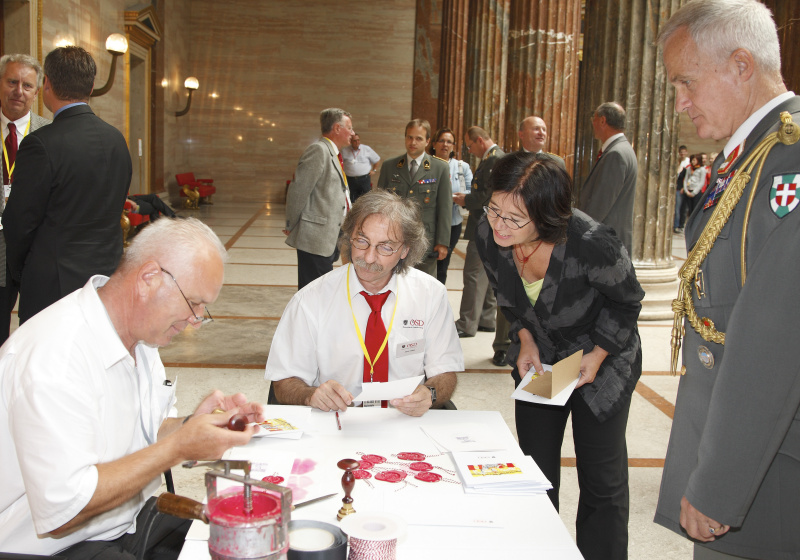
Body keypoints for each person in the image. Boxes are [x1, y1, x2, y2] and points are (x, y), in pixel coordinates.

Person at [0, 217, 264, 557]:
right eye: (194, 302)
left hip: (122, 523)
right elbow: (64, 511)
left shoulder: (141, 339)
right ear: (149, 278)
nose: (196, 320)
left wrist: (191, 428)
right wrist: (179, 448)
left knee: (241, 542)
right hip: (51, 547)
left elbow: (144, 433)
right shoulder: (56, 357)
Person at [655, 1, 800, 558]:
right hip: (740, 453)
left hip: (769, 471)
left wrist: (720, 483)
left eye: (686, 82)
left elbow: (774, 339)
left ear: (742, 65)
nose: (680, 103)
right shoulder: (751, 158)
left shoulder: (788, 164)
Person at [476, 152, 643, 560]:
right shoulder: (488, 234)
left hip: (601, 362)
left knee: (601, 480)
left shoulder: (592, 243)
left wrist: (600, 352)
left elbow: (627, 302)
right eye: (494, 209)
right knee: (535, 472)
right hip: (545, 359)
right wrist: (526, 339)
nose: (499, 225)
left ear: (547, 215)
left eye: (514, 219)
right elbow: (509, 300)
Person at [266, 190, 462, 417]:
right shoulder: (310, 300)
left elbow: (446, 371)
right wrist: (310, 395)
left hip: (403, 420)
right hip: (336, 421)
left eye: (385, 247)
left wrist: (430, 394)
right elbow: (284, 381)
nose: (368, 257)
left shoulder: (430, 295)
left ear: (405, 250)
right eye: (362, 241)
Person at [3, 46, 131, 325]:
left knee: (51, 363)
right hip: (106, 277)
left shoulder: (41, 143)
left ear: (46, 84)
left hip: (54, 283)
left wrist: (22, 272)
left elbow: (19, 222)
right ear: (92, 85)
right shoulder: (116, 140)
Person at [0, 53, 50, 343]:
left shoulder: (50, 131)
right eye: (12, 82)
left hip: (36, 249)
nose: (19, 91)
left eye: (27, 85)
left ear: (37, 92)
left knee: (36, 332)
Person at [285, 108, 354, 290]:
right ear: (337, 128)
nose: (353, 133)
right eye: (350, 127)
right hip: (314, 238)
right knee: (314, 291)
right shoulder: (318, 151)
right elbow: (298, 190)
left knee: (320, 289)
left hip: (328, 237)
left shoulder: (334, 154)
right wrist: (291, 224)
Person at [377, 119, 451, 277]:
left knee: (424, 288)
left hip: (425, 241)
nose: (413, 142)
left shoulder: (440, 168)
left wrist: (442, 242)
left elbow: (445, 208)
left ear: (428, 141)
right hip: (393, 239)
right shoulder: (390, 166)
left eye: (418, 138)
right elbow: (379, 204)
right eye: (409, 137)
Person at [453, 126, 504, 342]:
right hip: (491, 225)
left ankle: (467, 322)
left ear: (480, 140)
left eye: (470, 145)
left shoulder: (494, 159)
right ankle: (485, 319)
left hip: (484, 225)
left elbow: (488, 195)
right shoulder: (494, 157)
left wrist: (466, 200)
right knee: (488, 273)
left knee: (473, 274)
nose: (469, 149)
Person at [578, 101, 638, 256]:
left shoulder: (615, 154)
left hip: (605, 243)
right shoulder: (622, 148)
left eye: (594, 118)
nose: (593, 122)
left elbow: (600, 204)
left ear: (602, 120)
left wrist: (579, 232)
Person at [430, 126, 472, 284]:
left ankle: (438, 298)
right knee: (425, 262)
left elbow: (470, 192)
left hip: (452, 223)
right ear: (434, 143)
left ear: (453, 146)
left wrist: (460, 197)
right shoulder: (426, 164)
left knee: (442, 263)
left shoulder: (462, 167)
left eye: (449, 142)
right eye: (441, 141)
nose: (445, 145)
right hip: (429, 222)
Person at [341, 132, 380, 203]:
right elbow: (340, 163)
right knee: (352, 200)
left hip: (364, 179)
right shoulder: (345, 151)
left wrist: (374, 170)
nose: (357, 142)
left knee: (366, 200)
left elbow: (377, 159)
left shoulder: (366, 149)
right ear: (350, 141)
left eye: (358, 140)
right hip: (350, 180)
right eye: (355, 140)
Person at [682, 154, 706, 219]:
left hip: (696, 192)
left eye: (694, 160)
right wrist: (686, 190)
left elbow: (702, 182)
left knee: (695, 210)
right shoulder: (689, 168)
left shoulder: (702, 169)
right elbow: (686, 179)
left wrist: (694, 193)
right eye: (692, 160)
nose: (693, 162)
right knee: (688, 209)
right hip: (688, 190)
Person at [673, 144, 691, 233]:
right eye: (681, 153)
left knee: (681, 208)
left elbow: (686, 177)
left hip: (682, 188)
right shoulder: (677, 163)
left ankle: (679, 225)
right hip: (676, 187)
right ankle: (676, 225)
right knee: (676, 208)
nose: (683, 154)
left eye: (684, 152)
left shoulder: (688, 163)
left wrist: (684, 187)